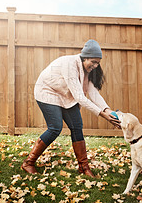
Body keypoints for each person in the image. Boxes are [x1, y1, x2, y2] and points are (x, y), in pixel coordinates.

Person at [21, 39, 121, 177]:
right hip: (47, 91)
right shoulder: (70, 64)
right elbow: (80, 97)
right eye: (93, 61)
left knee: (77, 126)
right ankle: (28, 162)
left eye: (98, 62)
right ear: (85, 57)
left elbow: (93, 93)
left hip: (66, 95)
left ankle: (84, 168)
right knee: (55, 127)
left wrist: (107, 110)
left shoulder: (87, 70)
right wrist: (102, 115)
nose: (96, 65)